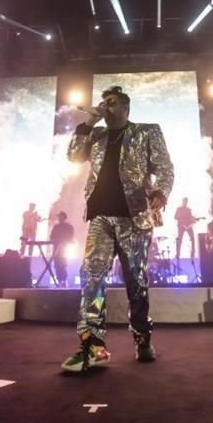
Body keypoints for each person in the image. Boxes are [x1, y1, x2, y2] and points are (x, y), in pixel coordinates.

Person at [61, 86, 174, 372]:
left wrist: (160, 191)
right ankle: (93, 347)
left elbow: (164, 167)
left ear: (125, 107)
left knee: (135, 281)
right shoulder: (96, 134)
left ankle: (142, 337)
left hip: (133, 217)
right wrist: (89, 122)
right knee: (91, 277)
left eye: (111, 103)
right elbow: (73, 156)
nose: (105, 107)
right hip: (100, 216)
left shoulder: (146, 132)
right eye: (103, 103)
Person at [49, 211, 75, 287]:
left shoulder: (68, 227)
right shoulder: (56, 227)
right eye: (59, 217)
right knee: (57, 264)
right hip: (56, 248)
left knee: (63, 264)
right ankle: (59, 280)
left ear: (64, 218)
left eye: (60, 217)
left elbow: (70, 236)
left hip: (64, 248)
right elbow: (51, 236)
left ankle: (63, 280)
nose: (59, 219)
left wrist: (63, 240)